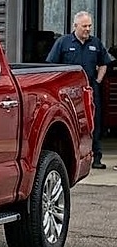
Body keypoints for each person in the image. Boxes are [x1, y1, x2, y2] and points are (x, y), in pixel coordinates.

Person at [47, 10, 111, 169]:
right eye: (84, 26)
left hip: (90, 90)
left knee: (94, 122)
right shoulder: (63, 43)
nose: (88, 29)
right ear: (75, 26)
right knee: (71, 122)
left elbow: (104, 63)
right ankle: (70, 157)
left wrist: (98, 80)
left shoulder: (95, 43)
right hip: (69, 92)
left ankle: (96, 157)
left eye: (90, 26)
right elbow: (51, 65)